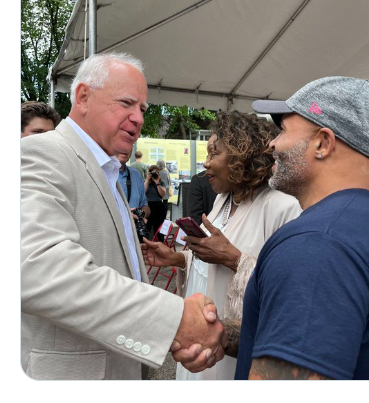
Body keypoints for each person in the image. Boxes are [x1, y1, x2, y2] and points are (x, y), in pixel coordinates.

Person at [21, 52, 226, 379]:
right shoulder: (40, 153)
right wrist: (172, 320)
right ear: (83, 97)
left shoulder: (106, 170)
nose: (138, 118)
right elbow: (37, 267)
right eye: (126, 103)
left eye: (142, 109)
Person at [231, 76, 369, 380]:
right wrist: (234, 338)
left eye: (282, 131)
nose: (272, 143)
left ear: (322, 143)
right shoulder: (361, 221)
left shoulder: (316, 244)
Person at [142, 111, 301, 380]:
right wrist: (178, 259)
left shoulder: (282, 207)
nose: (205, 164)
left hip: (232, 349)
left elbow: (287, 289)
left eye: (214, 154)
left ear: (242, 157)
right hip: (202, 335)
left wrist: (233, 258)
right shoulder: (223, 199)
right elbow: (209, 261)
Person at [116, 151, 149, 216]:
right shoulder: (98, 173)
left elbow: (145, 206)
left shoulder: (136, 174)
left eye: (130, 143)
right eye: (122, 141)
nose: (125, 147)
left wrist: (141, 215)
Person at [145, 164, 168, 239]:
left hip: (158, 206)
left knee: (159, 229)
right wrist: (148, 179)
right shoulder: (146, 182)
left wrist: (157, 182)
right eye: (153, 173)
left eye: (157, 173)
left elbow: (162, 194)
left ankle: (160, 244)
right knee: (146, 228)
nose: (155, 174)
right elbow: (144, 191)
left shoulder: (161, 182)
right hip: (148, 206)